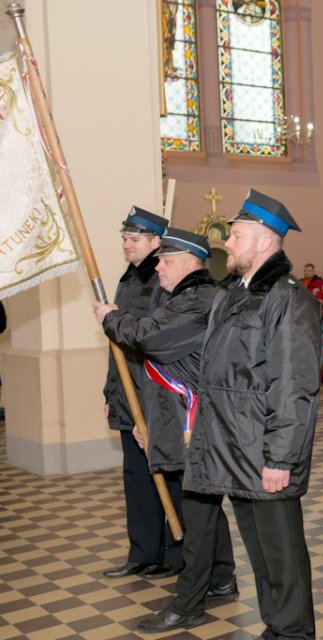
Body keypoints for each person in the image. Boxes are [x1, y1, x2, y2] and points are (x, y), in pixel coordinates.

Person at [185, 189, 323, 640]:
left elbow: (294, 385)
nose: (227, 242)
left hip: (266, 451)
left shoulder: (288, 298)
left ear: (264, 242)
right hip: (236, 448)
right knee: (261, 556)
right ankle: (276, 627)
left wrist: (280, 458)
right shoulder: (235, 293)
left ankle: (294, 632)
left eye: (237, 235)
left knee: (283, 556)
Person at [94, 229, 238, 633]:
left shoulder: (198, 302)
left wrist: (110, 317)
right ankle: (223, 578)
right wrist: (151, 427)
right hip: (180, 423)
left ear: (192, 263)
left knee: (197, 513)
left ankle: (188, 603)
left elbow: (147, 337)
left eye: (166, 260)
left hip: (198, 425)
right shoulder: (183, 298)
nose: (158, 266)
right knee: (203, 510)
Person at [100, 207, 180, 580]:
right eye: (125, 239)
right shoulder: (128, 279)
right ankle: (143, 552)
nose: (126, 245)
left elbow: (156, 343)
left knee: (165, 472)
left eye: (133, 239)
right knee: (136, 474)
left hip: (152, 395)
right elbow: (116, 346)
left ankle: (175, 554)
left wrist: (150, 405)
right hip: (126, 392)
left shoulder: (163, 280)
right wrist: (110, 392)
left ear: (155, 242)